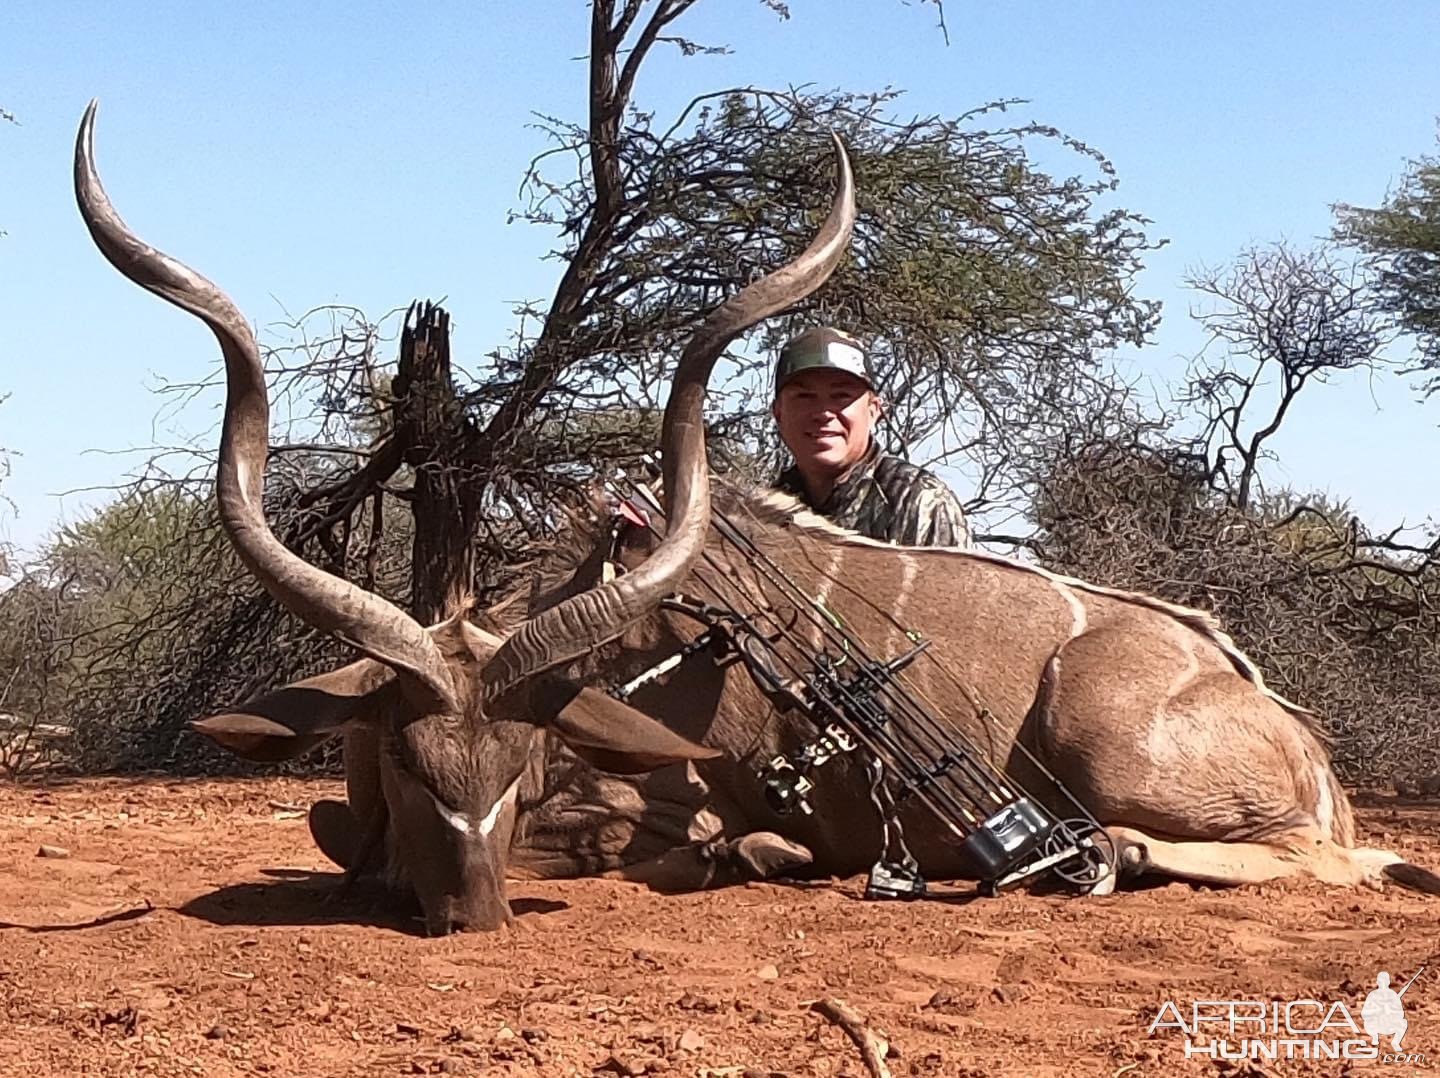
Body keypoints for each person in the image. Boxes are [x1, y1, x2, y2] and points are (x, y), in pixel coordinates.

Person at [770, 326, 971, 548]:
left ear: (874, 410)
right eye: (804, 396)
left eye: (841, 396)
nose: (823, 413)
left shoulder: (921, 502)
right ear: (778, 412)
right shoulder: (765, 511)